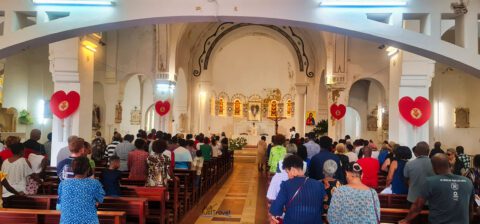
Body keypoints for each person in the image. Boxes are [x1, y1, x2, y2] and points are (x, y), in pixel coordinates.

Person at [399, 154, 475, 224]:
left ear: (433, 167)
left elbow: (417, 206)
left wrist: (406, 220)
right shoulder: (468, 182)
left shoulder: (430, 182)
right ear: (449, 165)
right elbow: (470, 209)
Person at [269, 155, 325, 224]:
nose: (288, 175)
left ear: (293, 170)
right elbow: (321, 208)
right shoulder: (319, 184)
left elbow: (276, 208)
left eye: (287, 172)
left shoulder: (286, 185)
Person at [57, 157, 105, 224]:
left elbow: (61, 198)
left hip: (67, 221)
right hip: (88, 221)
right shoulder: (95, 183)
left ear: (72, 169)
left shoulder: (63, 183)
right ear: (88, 169)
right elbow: (100, 199)